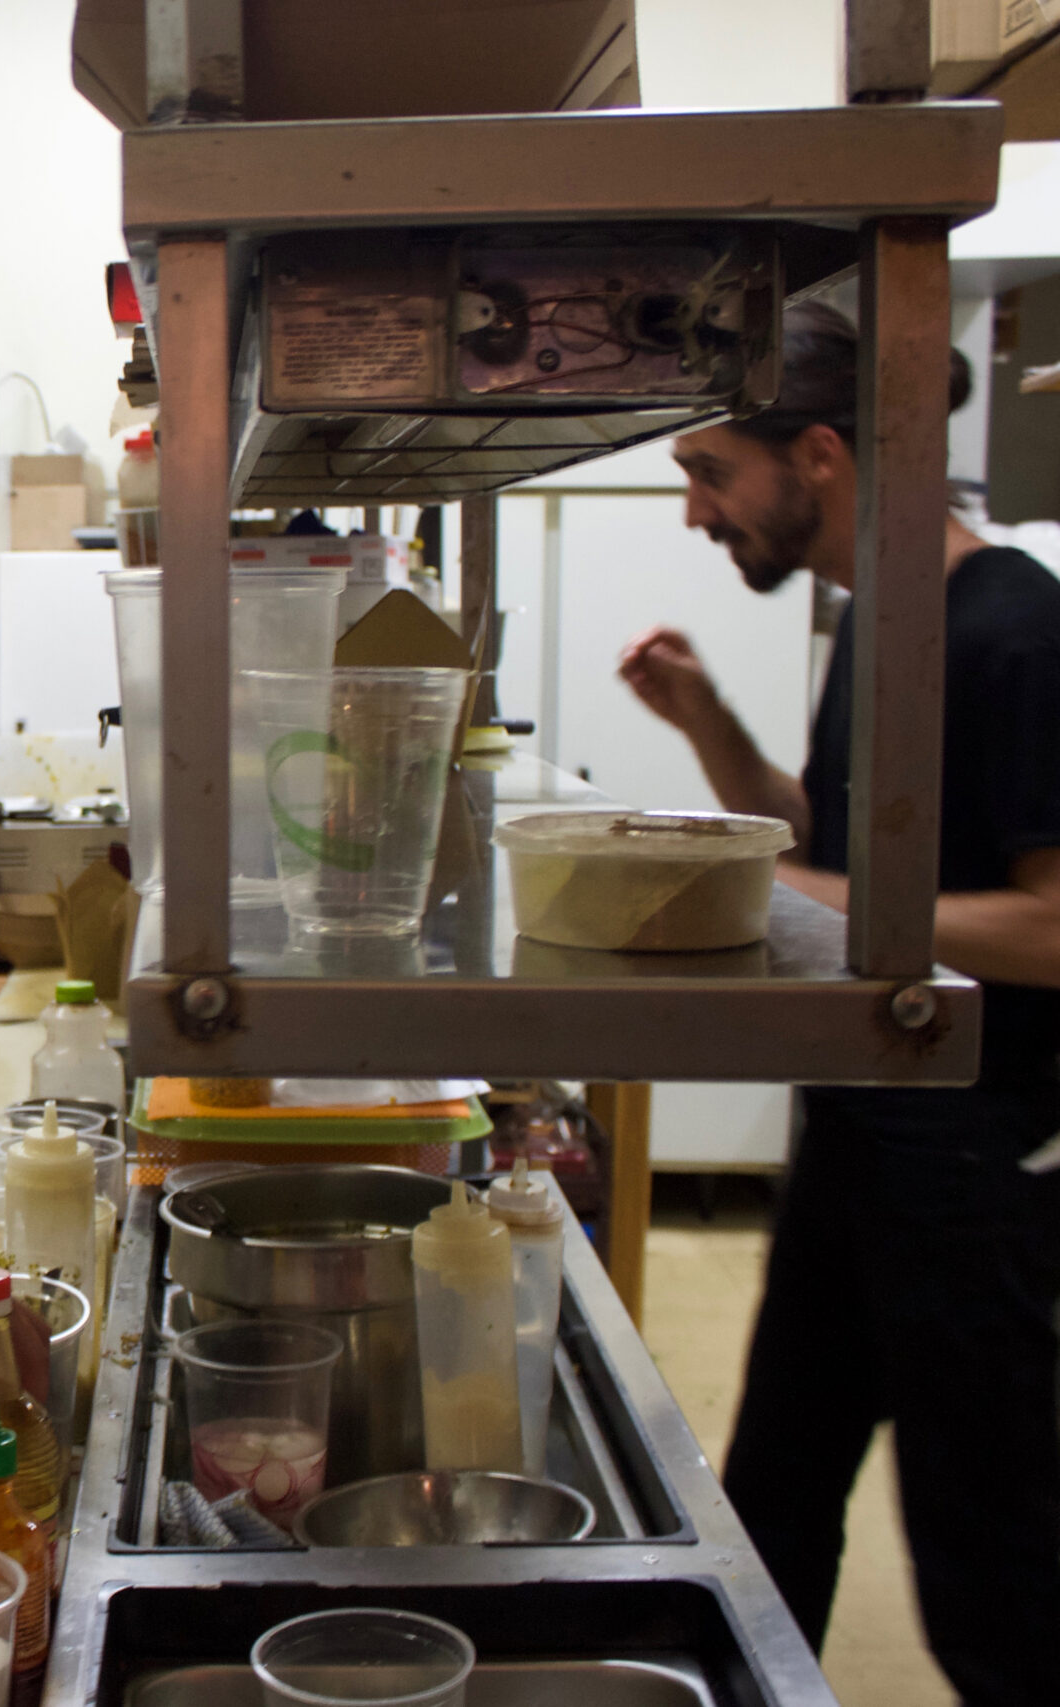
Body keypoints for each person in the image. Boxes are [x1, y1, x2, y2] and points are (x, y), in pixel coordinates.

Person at [617, 301, 1060, 1707]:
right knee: (773, 1506)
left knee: (994, 1571)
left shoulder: (1016, 632)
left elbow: (1051, 922)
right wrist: (707, 723)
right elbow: (837, 846)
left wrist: (807, 901)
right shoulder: (882, 621)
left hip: (983, 1164)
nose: (696, 513)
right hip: (865, 1139)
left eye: (708, 471)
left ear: (816, 451)